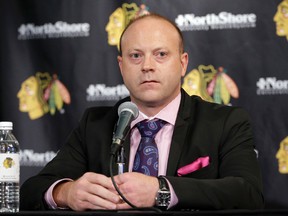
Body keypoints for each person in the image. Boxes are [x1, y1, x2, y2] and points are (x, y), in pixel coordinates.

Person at [20, 13, 264, 211]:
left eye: (160, 55)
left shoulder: (224, 121)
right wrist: (66, 193)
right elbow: (32, 189)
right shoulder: (95, 124)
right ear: (121, 65)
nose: (147, 66)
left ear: (183, 63)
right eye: (135, 56)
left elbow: (248, 193)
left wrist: (162, 191)